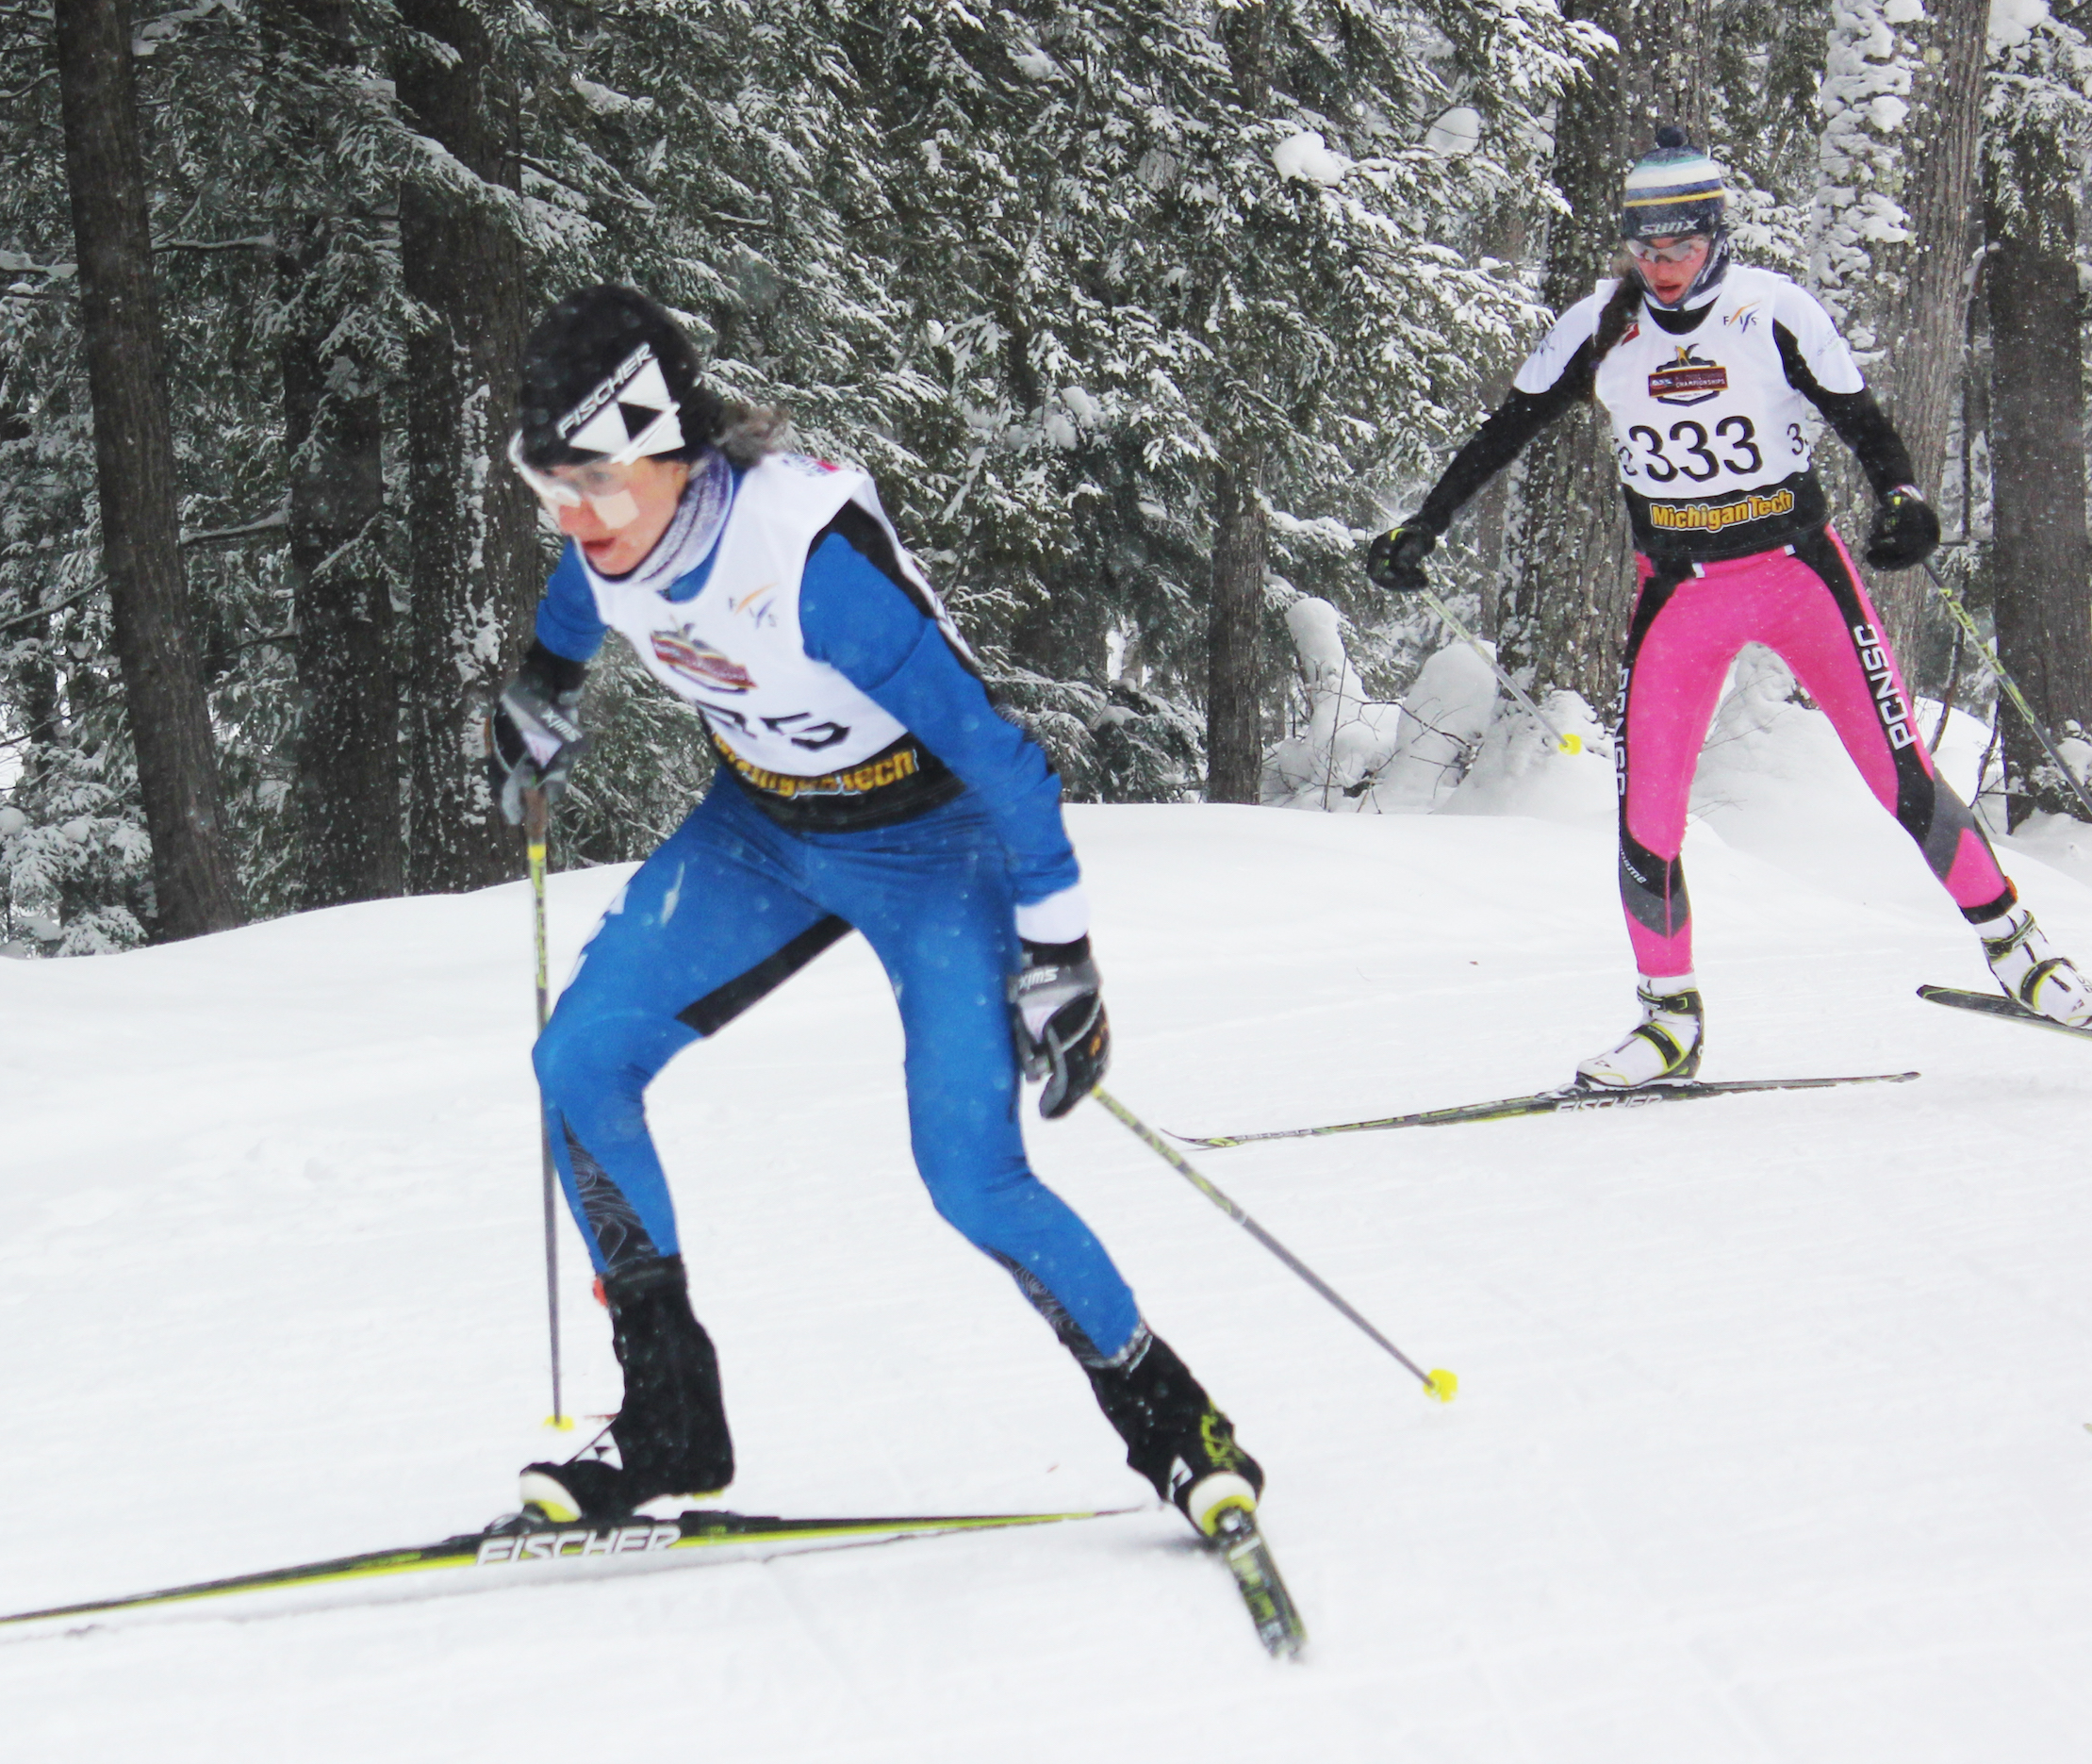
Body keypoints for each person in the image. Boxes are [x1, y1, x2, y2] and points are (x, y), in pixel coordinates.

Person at [486, 286, 1262, 1541]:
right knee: (577, 1059)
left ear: (674, 452)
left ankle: (1175, 1421)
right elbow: (583, 611)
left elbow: (1008, 760)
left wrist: (1062, 954)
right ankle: (672, 1413)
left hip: (932, 845)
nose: (576, 521)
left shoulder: (809, 567)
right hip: (762, 834)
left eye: (597, 489)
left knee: (969, 1173)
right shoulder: (611, 539)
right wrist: (537, 690)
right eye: (549, 492)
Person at [1368, 127, 2092, 1085]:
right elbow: (1508, 428)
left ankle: (2022, 952)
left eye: (1679, 247)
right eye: (1645, 248)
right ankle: (1668, 1021)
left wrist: (1905, 502)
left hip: (1800, 576)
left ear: (1716, 236)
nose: (1661, 268)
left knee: (1901, 777)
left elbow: (1862, 421)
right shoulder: (1600, 324)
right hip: (1680, 592)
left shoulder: (1770, 308)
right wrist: (1426, 524)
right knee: (1646, 815)